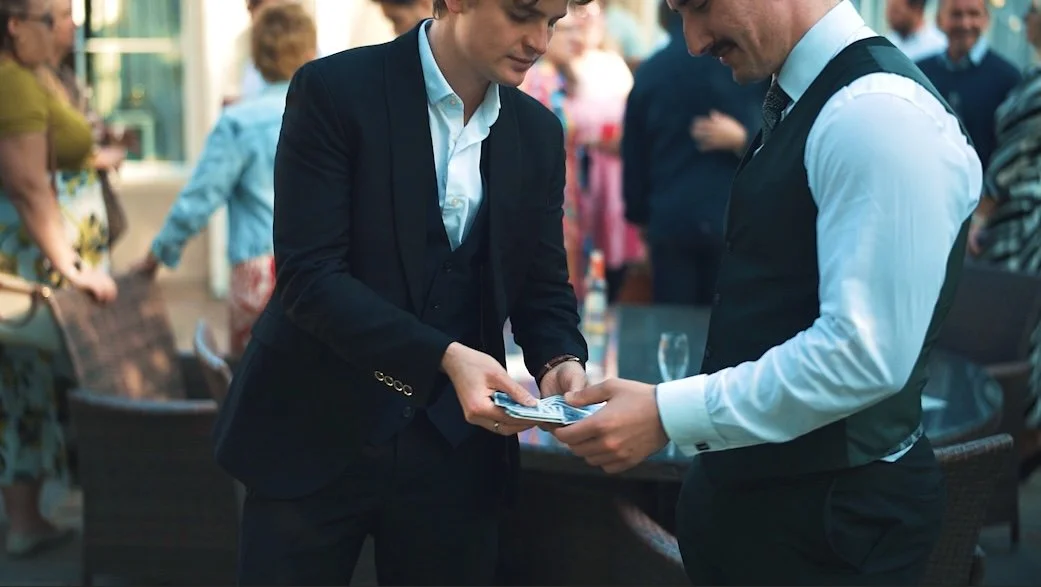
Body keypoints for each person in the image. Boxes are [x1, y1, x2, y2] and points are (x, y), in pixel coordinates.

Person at [555, 0, 981, 584]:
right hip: (779, 520)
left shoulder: (877, 113)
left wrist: (667, 413)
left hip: (829, 533)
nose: (693, 41)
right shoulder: (813, 96)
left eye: (699, 6)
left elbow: (862, 356)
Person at [212, 0, 591, 584]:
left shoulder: (537, 132)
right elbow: (310, 279)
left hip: (453, 452)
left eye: (552, 21)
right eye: (522, 14)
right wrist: (444, 356)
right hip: (311, 428)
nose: (539, 40)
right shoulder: (334, 91)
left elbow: (541, 285)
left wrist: (560, 360)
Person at [0, 0, 117, 559]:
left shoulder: (30, 78)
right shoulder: (12, 83)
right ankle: (25, 521)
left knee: (35, 390)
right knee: (24, 389)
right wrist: (71, 267)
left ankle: (32, 517)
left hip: (49, 263)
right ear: (15, 25)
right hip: (38, 270)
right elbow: (28, 186)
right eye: (52, 17)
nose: (63, 28)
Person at [133, 2, 316, 359]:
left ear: (257, 58)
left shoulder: (239, 123)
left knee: (256, 378)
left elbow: (199, 199)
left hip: (260, 272)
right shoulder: (329, 115)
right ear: (310, 53)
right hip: (322, 270)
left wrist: (156, 257)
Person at [623, 0, 766, 306]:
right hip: (732, 218)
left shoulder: (651, 72)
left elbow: (634, 154)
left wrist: (640, 216)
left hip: (670, 218)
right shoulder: (743, 65)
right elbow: (776, 137)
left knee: (673, 324)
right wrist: (743, 139)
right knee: (726, 321)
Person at [976, 0, 1041, 483]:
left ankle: (1020, 445)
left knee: (1018, 338)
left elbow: (1010, 162)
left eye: (1034, 9)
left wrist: (979, 218)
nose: (1028, 18)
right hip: (1025, 222)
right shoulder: (1029, 76)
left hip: (1023, 228)